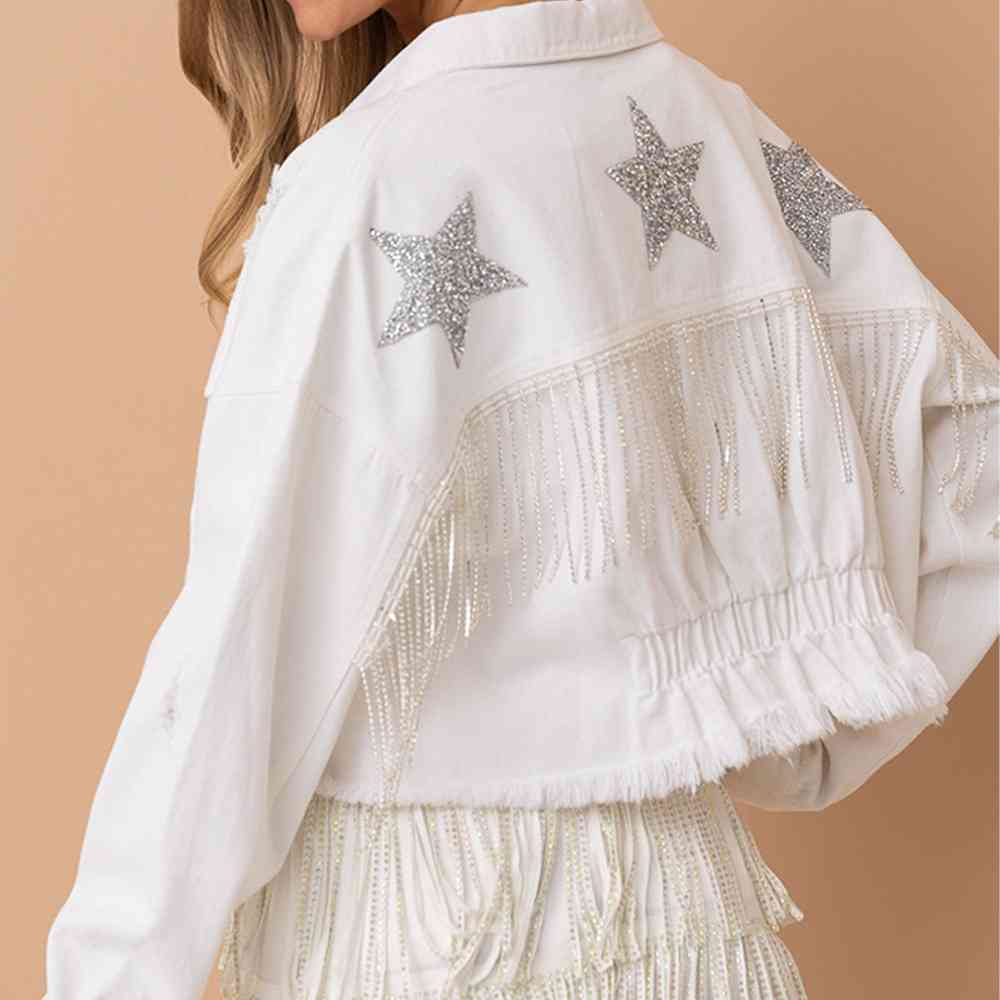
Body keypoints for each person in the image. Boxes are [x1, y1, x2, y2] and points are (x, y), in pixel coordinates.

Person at [43, 0, 999, 998]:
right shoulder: (711, 126)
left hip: (433, 946)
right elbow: (972, 460)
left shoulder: (368, 187)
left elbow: (227, 675)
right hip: (696, 925)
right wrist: (752, 726)